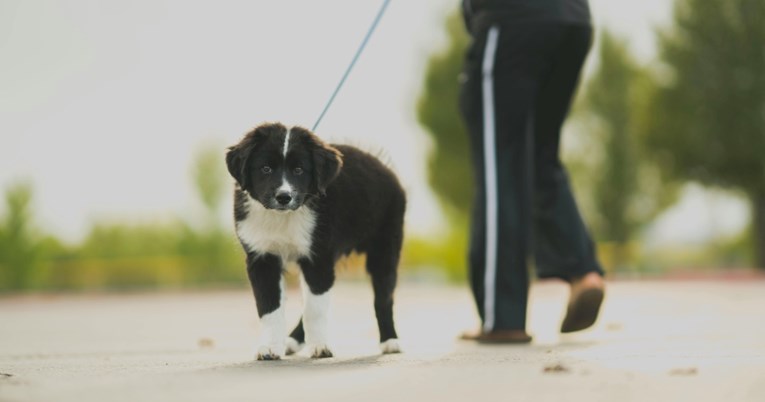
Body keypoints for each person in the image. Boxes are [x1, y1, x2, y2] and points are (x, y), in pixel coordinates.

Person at [458, 0, 605, 343]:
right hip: (573, 22)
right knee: (540, 157)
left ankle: (503, 317)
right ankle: (583, 272)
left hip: (511, 21)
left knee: (500, 165)